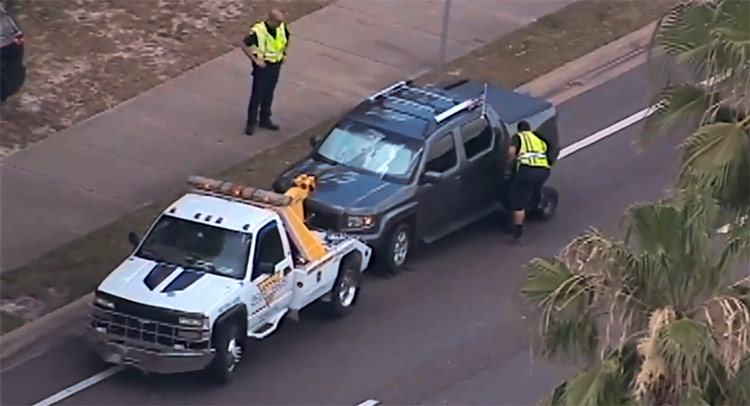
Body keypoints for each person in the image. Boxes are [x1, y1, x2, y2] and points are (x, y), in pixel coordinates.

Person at [240, 9, 289, 136]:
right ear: (270, 20)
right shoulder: (258, 32)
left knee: (269, 93)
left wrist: (284, 54)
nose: (280, 24)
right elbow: (244, 44)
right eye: (278, 21)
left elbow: (286, 40)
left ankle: (265, 119)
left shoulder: (281, 27)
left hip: (276, 65)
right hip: (263, 67)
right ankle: (251, 123)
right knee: (257, 94)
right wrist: (255, 60)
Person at [506, 120, 552, 243]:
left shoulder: (518, 137)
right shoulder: (538, 138)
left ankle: (518, 235)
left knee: (518, 201)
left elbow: (511, 152)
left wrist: (508, 164)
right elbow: (548, 152)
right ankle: (537, 201)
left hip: (527, 172)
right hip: (544, 171)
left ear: (519, 130)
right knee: (534, 186)